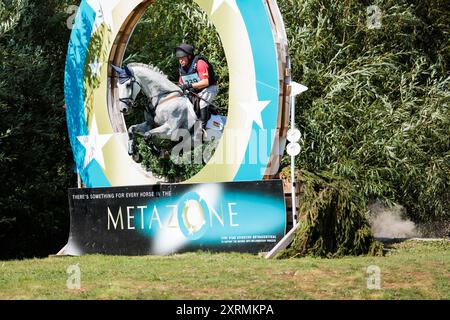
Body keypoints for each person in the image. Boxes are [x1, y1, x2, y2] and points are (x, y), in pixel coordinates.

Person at [175, 43, 219, 130]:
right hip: (196, 90)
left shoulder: (200, 63)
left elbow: (205, 82)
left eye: (182, 58)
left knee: (202, 104)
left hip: (209, 88)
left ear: (189, 56)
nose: (180, 61)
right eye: (179, 58)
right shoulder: (182, 66)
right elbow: (181, 81)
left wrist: (189, 85)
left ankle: (202, 129)